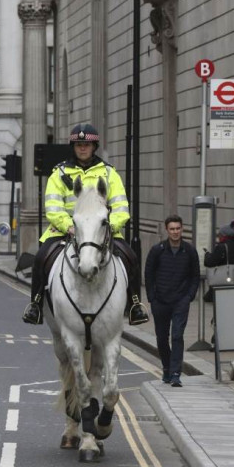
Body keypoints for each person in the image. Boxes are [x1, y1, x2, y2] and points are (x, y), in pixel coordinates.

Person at [22, 123, 150, 326]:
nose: (82, 148)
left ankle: (135, 304)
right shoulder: (59, 173)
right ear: (73, 147)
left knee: (131, 257)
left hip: (101, 232)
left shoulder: (109, 174)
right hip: (66, 231)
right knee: (41, 258)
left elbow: (121, 208)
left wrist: (109, 228)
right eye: (78, 144)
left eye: (87, 144)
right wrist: (69, 227)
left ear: (94, 146)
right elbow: (53, 207)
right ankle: (35, 305)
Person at [144, 215, 200, 387]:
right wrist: (152, 298)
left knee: (177, 336)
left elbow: (195, 276)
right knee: (162, 338)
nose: (175, 232)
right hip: (160, 301)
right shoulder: (157, 250)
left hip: (180, 301)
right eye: (172, 229)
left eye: (178, 228)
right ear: (167, 230)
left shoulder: (190, 251)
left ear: (182, 229)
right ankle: (167, 368)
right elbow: (149, 274)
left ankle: (176, 373)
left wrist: (189, 295)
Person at [204, 219, 234, 293]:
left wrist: (207, 254)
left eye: (219, 235)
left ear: (223, 235)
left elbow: (209, 263)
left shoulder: (222, 247)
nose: (218, 237)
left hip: (223, 287)